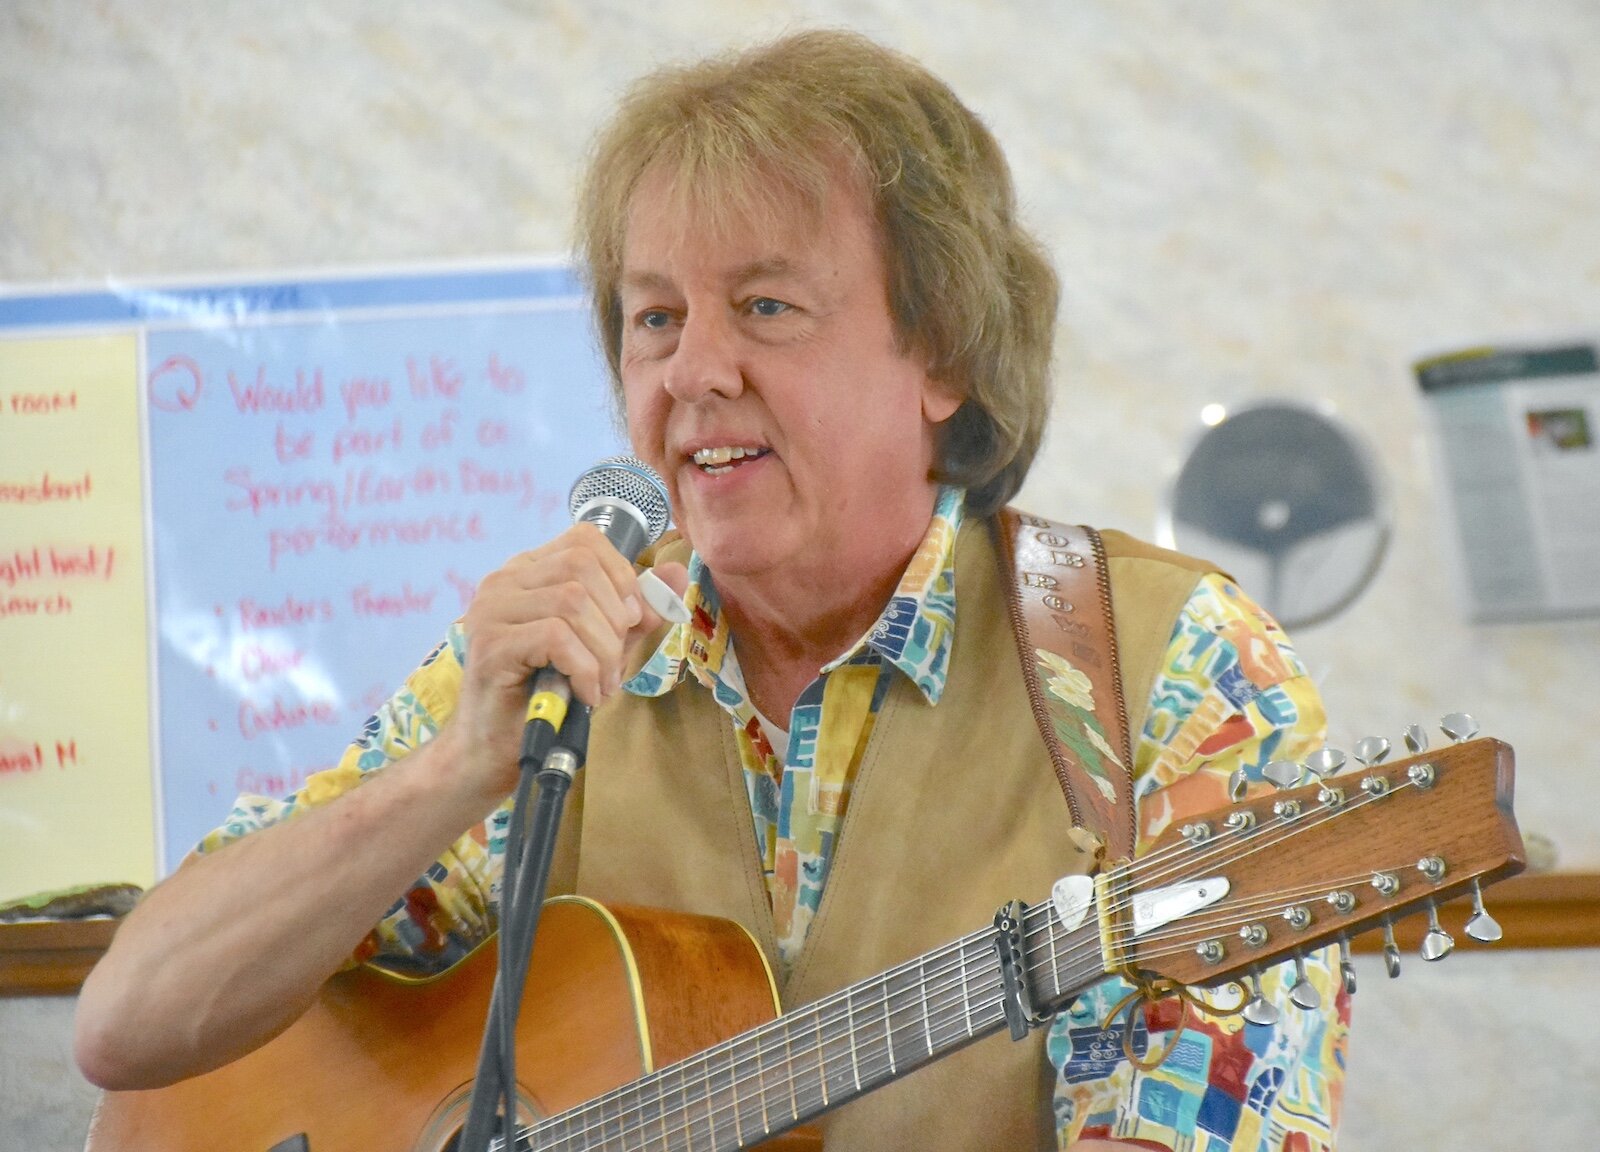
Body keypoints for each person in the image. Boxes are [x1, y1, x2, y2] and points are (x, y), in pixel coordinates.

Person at [76, 29, 1347, 1150]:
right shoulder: (567, 662)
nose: (693, 371)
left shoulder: (1169, 667)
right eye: (654, 318)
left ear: (944, 354)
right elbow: (130, 1027)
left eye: (766, 306)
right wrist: (453, 770)